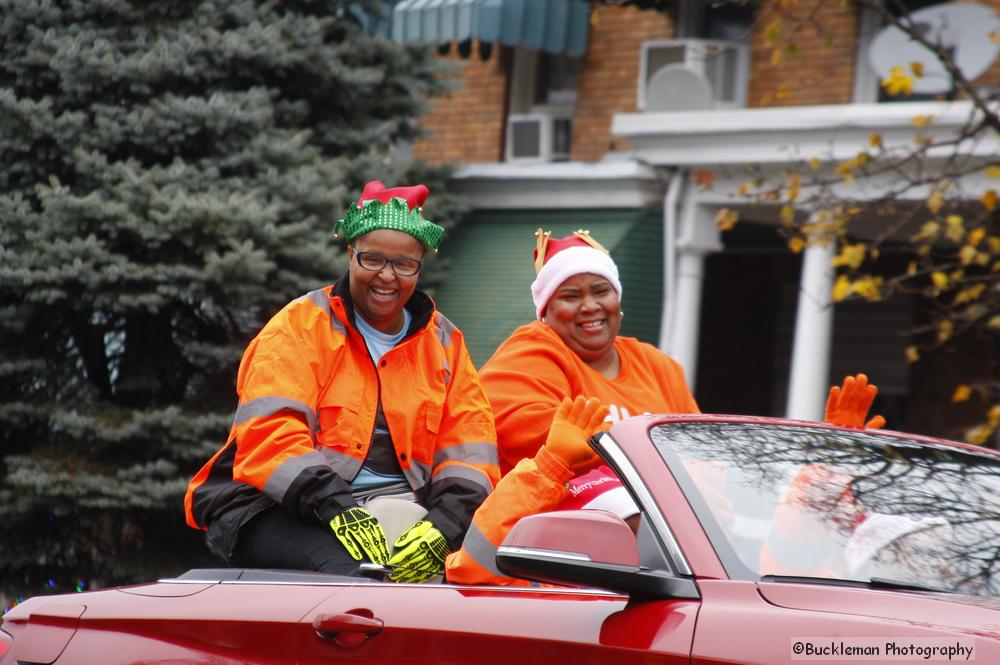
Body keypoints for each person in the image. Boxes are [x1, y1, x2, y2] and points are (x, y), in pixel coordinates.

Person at [445, 228, 884, 585]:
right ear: (546, 310)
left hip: (689, 549)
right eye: (570, 295)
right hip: (570, 555)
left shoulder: (658, 366)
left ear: (618, 300)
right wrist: (635, 473)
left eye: (600, 290)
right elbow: (545, 446)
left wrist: (823, 472)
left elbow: (704, 463)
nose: (590, 306)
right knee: (626, 507)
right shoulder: (530, 351)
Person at [184, 181, 498, 583]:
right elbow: (270, 436)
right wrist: (337, 508)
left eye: (404, 265)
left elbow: (471, 453)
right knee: (359, 578)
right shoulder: (298, 326)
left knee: (482, 576)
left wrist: (443, 527)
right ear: (350, 255)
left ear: (419, 267)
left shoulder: (445, 343)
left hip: (402, 508)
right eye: (372, 259)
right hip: (274, 505)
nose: (387, 276)